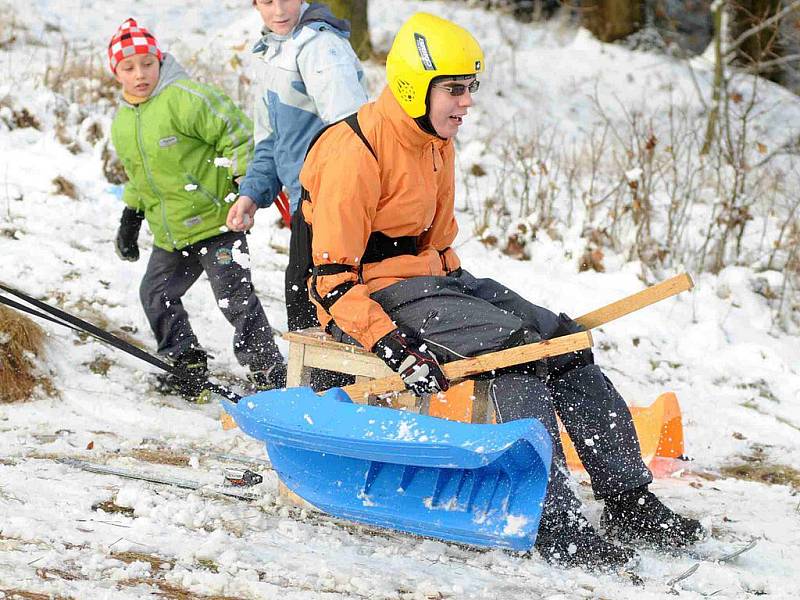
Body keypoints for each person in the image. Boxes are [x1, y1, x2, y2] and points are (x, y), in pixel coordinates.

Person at [297, 13, 704, 570]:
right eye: (455, 89)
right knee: (511, 355)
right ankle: (548, 517)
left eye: (471, 89)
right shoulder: (355, 152)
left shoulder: (434, 139)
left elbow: (437, 245)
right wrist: (392, 345)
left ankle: (627, 497)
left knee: (564, 340)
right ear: (416, 87)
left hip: (430, 281)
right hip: (371, 293)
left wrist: (469, 299)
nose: (466, 103)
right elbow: (331, 283)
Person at [108, 18, 285, 399]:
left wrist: (244, 185)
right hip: (173, 233)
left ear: (160, 61)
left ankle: (269, 372)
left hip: (218, 221)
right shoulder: (123, 123)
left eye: (147, 64)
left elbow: (237, 133)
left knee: (234, 300)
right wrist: (131, 217)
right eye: (128, 67)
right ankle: (185, 363)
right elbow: (140, 177)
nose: (140, 74)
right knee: (155, 294)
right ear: (116, 72)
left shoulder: (187, 97)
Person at [225, 0, 369, 335]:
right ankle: (317, 384)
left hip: (331, 202)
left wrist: (331, 202)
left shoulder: (320, 47)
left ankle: (330, 386)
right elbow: (271, 142)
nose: (278, 10)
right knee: (303, 297)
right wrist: (251, 194)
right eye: (267, 1)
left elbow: (352, 135)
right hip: (305, 201)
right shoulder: (272, 51)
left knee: (320, 300)